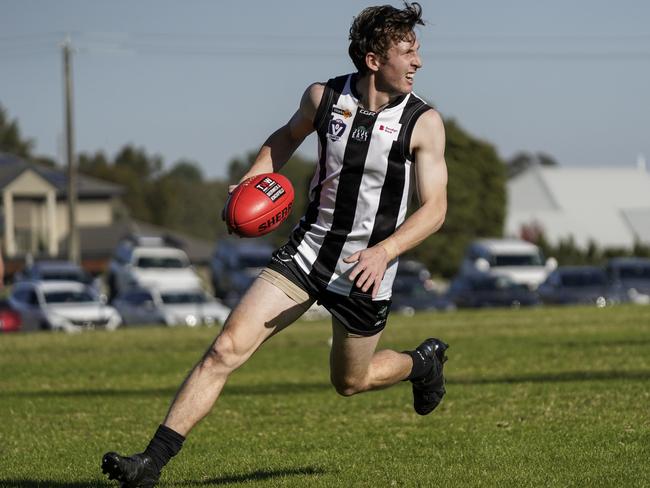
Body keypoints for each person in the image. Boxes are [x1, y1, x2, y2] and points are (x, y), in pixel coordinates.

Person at [102, 3, 449, 486]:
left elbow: (435, 209)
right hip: (306, 253)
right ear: (373, 59)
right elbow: (285, 138)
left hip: (366, 269)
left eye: (418, 52)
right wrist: (252, 179)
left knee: (350, 382)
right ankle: (149, 463)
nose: (419, 62)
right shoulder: (323, 98)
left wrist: (385, 251)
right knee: (225, 348)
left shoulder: (423, 122)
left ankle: (422, 363)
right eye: (408, 52)